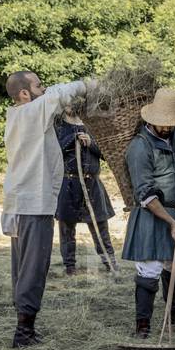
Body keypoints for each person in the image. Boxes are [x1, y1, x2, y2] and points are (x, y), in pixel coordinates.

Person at [1, 70, 91, 348]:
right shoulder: (30, 113)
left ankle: (24, 326)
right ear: (25, 94)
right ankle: (23, 333)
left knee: (22, 267)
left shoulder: (17, 117)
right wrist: (90, 85)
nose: (44, 88)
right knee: (33, 268)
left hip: (20, 202)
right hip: (32, 205)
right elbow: (58, 94)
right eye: (38, 85)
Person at [120, 88, 175, 338]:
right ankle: (142, 327)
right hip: (151, 214)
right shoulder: (139, 148)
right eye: (162, 124)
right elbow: (145, 194)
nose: (167, 128)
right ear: (150, 119)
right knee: (150, 269)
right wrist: (170, 223)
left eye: (171, 124)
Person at [55, 108, 117, 275]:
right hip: (69, 183)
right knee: (66, 228)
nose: (69, 105)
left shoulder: (94, 124)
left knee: (100, 225)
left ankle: (110, 264)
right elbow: (52, 152)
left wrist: (91, 143)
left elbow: (108, 153)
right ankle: (70, 267)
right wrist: (72, 139)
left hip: (92, 182)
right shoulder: (57, 124)